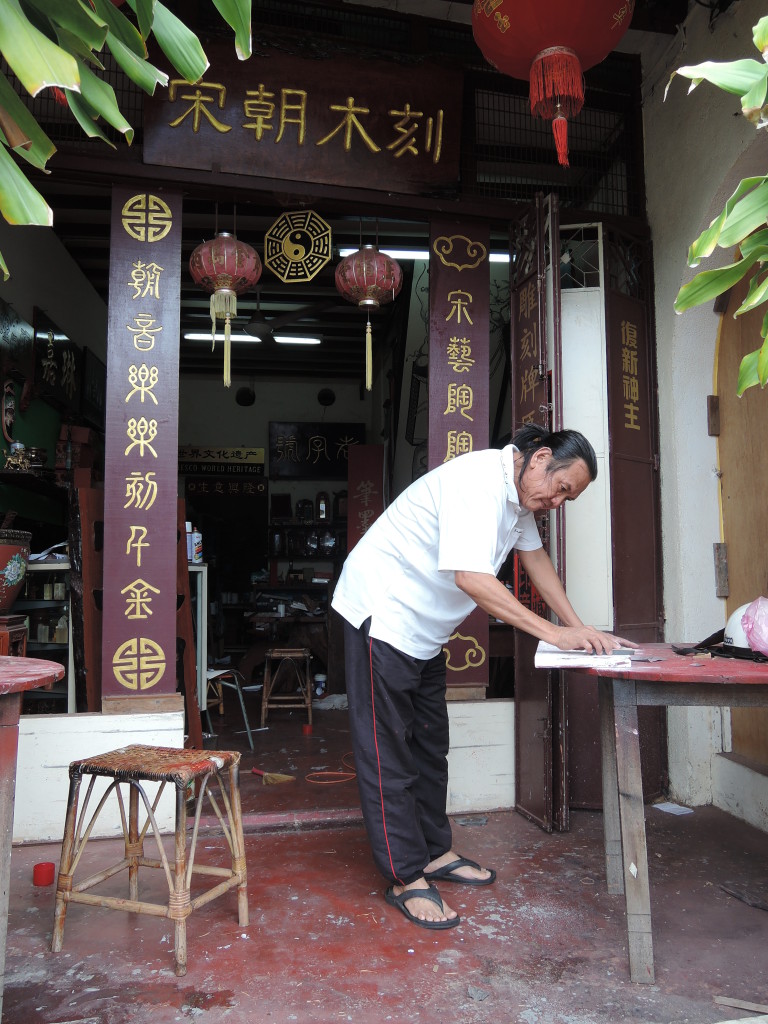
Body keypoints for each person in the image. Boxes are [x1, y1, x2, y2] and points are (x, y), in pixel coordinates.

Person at [331, 424, 635, 931]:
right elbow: (471, 577)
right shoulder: (478, 482)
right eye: (560, 489)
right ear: (539, 459)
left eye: (568, 499)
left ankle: (432, 853)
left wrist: (577, 627)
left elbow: (536, 560)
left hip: (424, 631)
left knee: (430, 747)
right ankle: (405, 876)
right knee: (388, 755)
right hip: (381, 617)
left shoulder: (519, 501)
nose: (556, 502)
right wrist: (553, 635)